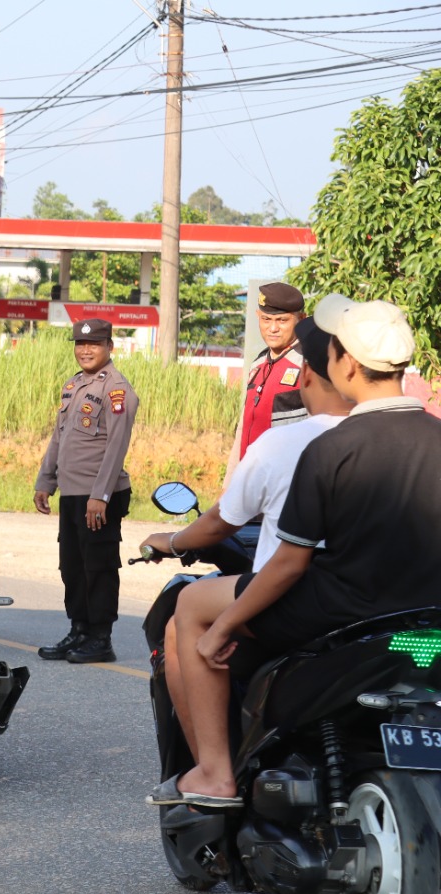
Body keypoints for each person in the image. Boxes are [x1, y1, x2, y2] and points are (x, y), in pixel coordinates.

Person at [153, 295, 441, 807]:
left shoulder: (330, 448)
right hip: (424, 614)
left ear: (346, 363)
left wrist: (222, 627)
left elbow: (288, 564)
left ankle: (215, 773)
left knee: (192, 608)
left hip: (343, 612)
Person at [138, 316, 350, 758]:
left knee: (186, 619)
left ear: (307, 373)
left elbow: (232, 530)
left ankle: (212, 771)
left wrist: (174, 541)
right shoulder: (406, 436)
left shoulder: (291, 444)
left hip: (306, 605)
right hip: (397, 609)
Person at [33, 318, 139, 665]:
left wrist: (101, 496)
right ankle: (79, 629)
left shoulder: (117, 389)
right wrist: (45, 481)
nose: (86, 350)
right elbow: (59, 437)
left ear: (110, 346)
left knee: (99, 566)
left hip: (99, 494)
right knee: (72, 567)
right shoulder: (73, 385)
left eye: (94, 344)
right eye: (80, 344)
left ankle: (100, 638)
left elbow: (116, 447)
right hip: (73, 494)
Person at [228, 282, 307, 471]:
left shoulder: (308, 365)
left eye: (282, 320)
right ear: (258, 317)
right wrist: (229, 485)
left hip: (284, 483)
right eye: (266, 319)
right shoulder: (258, 365)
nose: (272, 328)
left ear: (301, 319)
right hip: (250, 479)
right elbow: (243, 429)